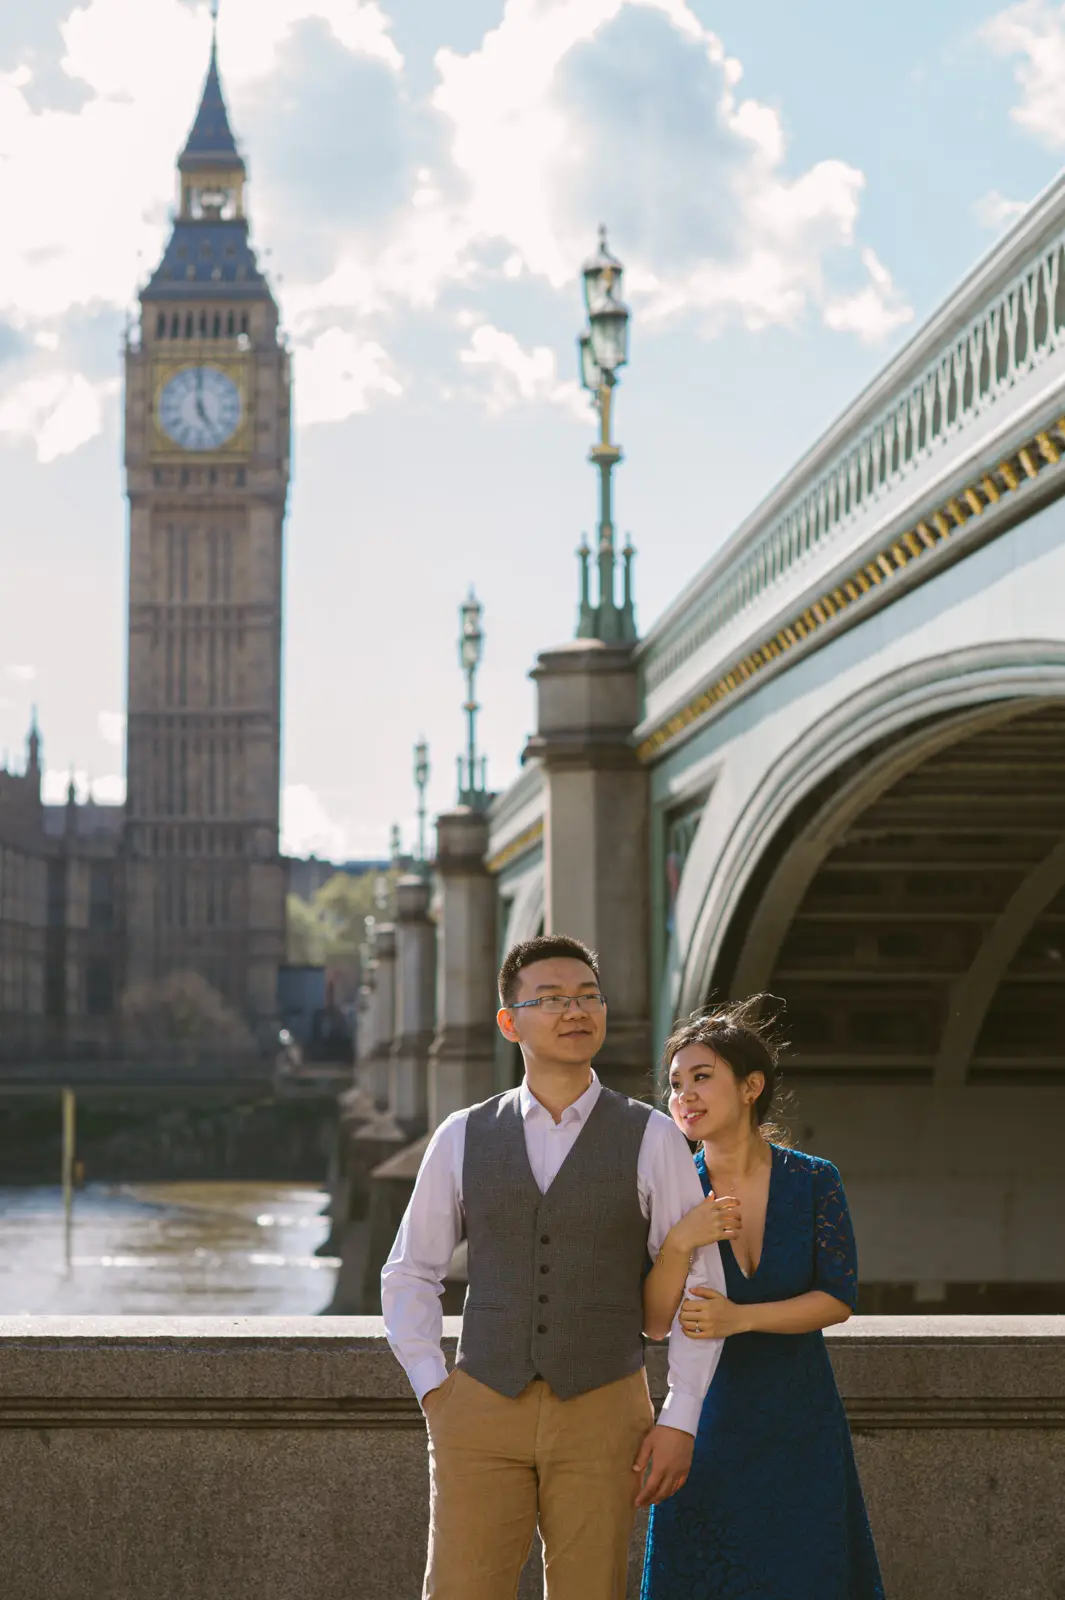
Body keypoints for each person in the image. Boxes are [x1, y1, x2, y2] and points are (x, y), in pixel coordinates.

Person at [381, 933, 727, 1600]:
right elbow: (410, 1271)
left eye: (588, 996)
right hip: (480, 1403)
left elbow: (700, 1285)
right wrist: (434, 1391)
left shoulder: (653, 1134)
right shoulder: (461, 1134)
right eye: (552, 999)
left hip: (605, 1406)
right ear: (509, 1022)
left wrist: (680, 1415)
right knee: (460, 1590)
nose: (575, 1011)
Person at [639, 997, 885, 1600]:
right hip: (705, 1420)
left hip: (800, 1418)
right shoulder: (669, 1190)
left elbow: (837, 1297)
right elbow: (653, 1322)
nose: (683, 1096)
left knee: (805, 1575)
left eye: (701, 1077)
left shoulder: (814, 1179)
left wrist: (739, 1317)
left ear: (752, 1087)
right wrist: (681, 1242)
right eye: (675, 1084)